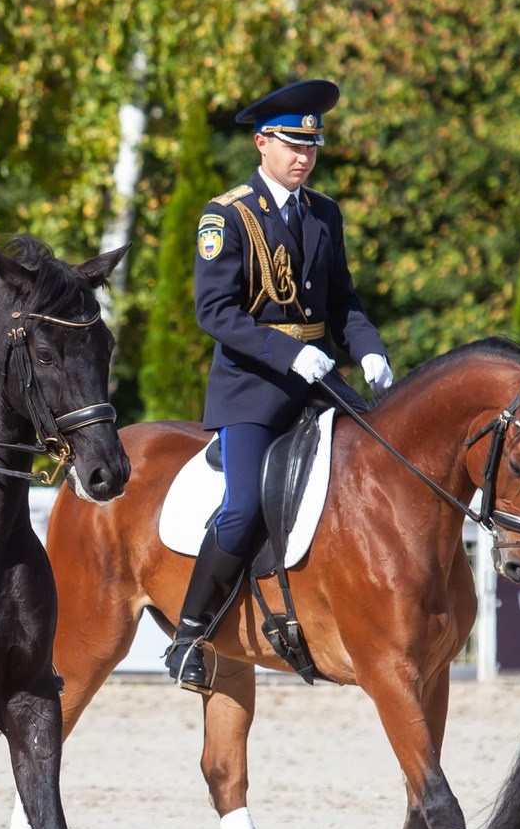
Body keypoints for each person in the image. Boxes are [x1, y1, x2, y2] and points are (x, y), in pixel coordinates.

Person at [161, 79, 394, 694]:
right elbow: (216, 313)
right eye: (292, 145)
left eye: (312, 147)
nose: (304, 158)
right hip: (252, 387)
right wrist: (291, 354)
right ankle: (190, 634)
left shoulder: (323, 214)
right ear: (262, 143)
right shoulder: (227, 215)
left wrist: (370, 353)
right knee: (241, 510)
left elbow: (344, 303)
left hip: (320, 382)